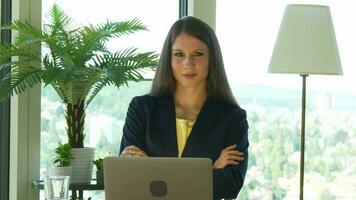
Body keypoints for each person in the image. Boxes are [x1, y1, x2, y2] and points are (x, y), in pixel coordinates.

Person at [119, 16, 249, 199]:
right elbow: (128, 177)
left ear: (212, 59)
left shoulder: (232, 118)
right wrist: (209, 172)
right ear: (168, 59)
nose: (188, 63)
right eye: (179, 54)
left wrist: (153, 170)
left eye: (198, 54)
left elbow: (229, 186)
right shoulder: (141, 109)